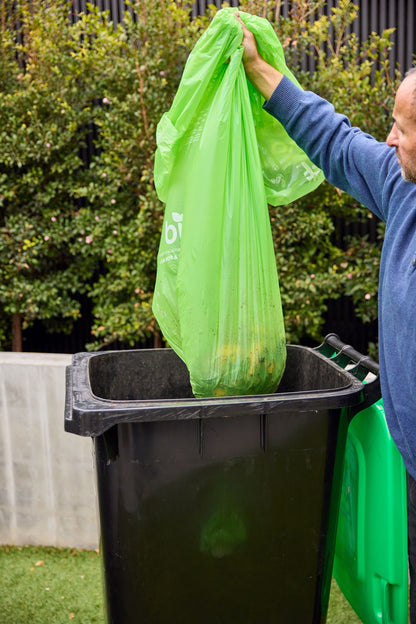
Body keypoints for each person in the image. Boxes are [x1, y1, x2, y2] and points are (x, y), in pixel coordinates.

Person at [234, 11, 416, 622]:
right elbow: (338, 143)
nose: (390, 139)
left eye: (403, 128)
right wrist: (262, 73)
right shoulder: (403, 188)